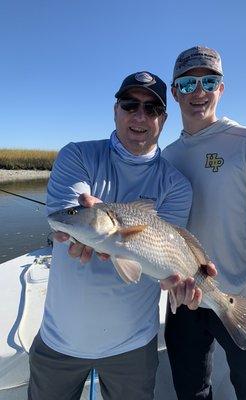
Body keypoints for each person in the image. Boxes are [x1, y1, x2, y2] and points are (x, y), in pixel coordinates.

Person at [28, 70, 206, 400]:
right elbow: (68, 217)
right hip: (59, 340)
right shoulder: (77, 155)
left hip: (133, 348)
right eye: (130, 104)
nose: (140, 116)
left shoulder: (177, 186)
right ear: (115, 110)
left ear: (163, 120)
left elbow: (164, 255)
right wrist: (87, 229)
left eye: (151, 109)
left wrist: (177, 282)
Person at [163, 46, 246, 400]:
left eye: (209, 81)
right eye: (187, 84)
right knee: (191, 392)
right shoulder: (167, 156)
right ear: (174, 92)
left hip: (244, 299)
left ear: (222, 88)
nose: (198, 92)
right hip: (185, 301)